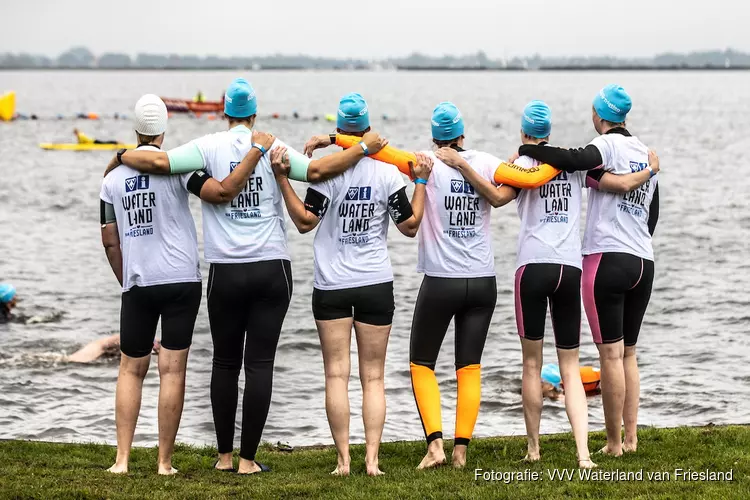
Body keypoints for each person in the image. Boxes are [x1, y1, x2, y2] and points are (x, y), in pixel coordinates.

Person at [107, 79, 388, 475]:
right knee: (259, 364)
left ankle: (223, 457)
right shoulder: (273, 146)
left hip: (225, 271)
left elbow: (158, 163)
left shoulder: (207, 147)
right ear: (254, 114)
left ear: (226, 114)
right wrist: (363, 148)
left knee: (224, 362)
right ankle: (247, 460)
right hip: (271, 269)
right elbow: (322, 169)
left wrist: (121, 154)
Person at [101, 93, 272, 475]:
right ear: (163, 130)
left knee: (131, 369)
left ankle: (123, 460)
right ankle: (164, 463)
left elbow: (110, 238)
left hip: (138, 281)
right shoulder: (181, 168)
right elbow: (219, 193)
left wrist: (126, 278)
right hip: (181, 280)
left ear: (136, 130)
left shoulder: (112, 178)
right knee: (172, 370)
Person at [270, 92, 431, 476]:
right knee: (373, 377)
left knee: (336, 375)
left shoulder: (325, 170)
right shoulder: (388, 173)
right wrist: (421, 182)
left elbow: (305, 222)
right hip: (376, 282)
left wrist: (281, 180)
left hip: (333, 284)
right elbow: (409, 227)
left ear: (341, 131)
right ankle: (372, 462)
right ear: (369, 131)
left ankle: (344, 461)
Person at [512, 85, 660, 457]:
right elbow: (651, 215)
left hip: (606, 260)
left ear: (600, 115)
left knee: (610, 356)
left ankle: (612, 444)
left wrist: (529, 150)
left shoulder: (607, 146)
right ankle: (631, 438)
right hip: (644, 260)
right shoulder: (646, 154)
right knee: (629, 353)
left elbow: (575, 158)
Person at [402, 102, 500, 470]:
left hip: (441, 281)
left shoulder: (423, 162)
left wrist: (333, 137)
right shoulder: (486, 163)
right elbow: (512, 184)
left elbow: (378, 152)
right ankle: (461, 452)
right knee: (469, 367)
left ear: (434, 137)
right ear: (462, 135)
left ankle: (436, 446)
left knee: (421, 363)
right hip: (482, 281)